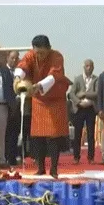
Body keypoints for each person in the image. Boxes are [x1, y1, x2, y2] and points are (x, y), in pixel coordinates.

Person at [13, 35, 71, 178]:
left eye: (42, 53)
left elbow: (53, 76)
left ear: (49, 49)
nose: (39, 56)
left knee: (53, 137)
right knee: (37, 136)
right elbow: (23, 66)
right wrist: (18, 77)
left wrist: (39, 86)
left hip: (55, 99)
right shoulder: (31, 55)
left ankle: (54, 169)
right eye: (37, 52)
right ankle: (40, 167)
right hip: (38, 100)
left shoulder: (57, 57)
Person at [0, 48, 18, 168]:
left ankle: (1, 160)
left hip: (2, 107)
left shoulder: (4, 71)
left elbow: (11, 88)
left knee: (1, 135)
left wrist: (12, 105)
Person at [68, 59, 98, 164]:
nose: (89, 68)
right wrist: (78, 101)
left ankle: (91, 157)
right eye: (87, 66)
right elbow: (71, 94)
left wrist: (84, 94)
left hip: (90, 109)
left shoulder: (96, 79)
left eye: (90, 66)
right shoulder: (78, 79)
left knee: (90, 134)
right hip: (79, 108)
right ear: (84, 67)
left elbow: (96, 93)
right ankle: (76, 157)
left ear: (93, 67)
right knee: (77, 134)